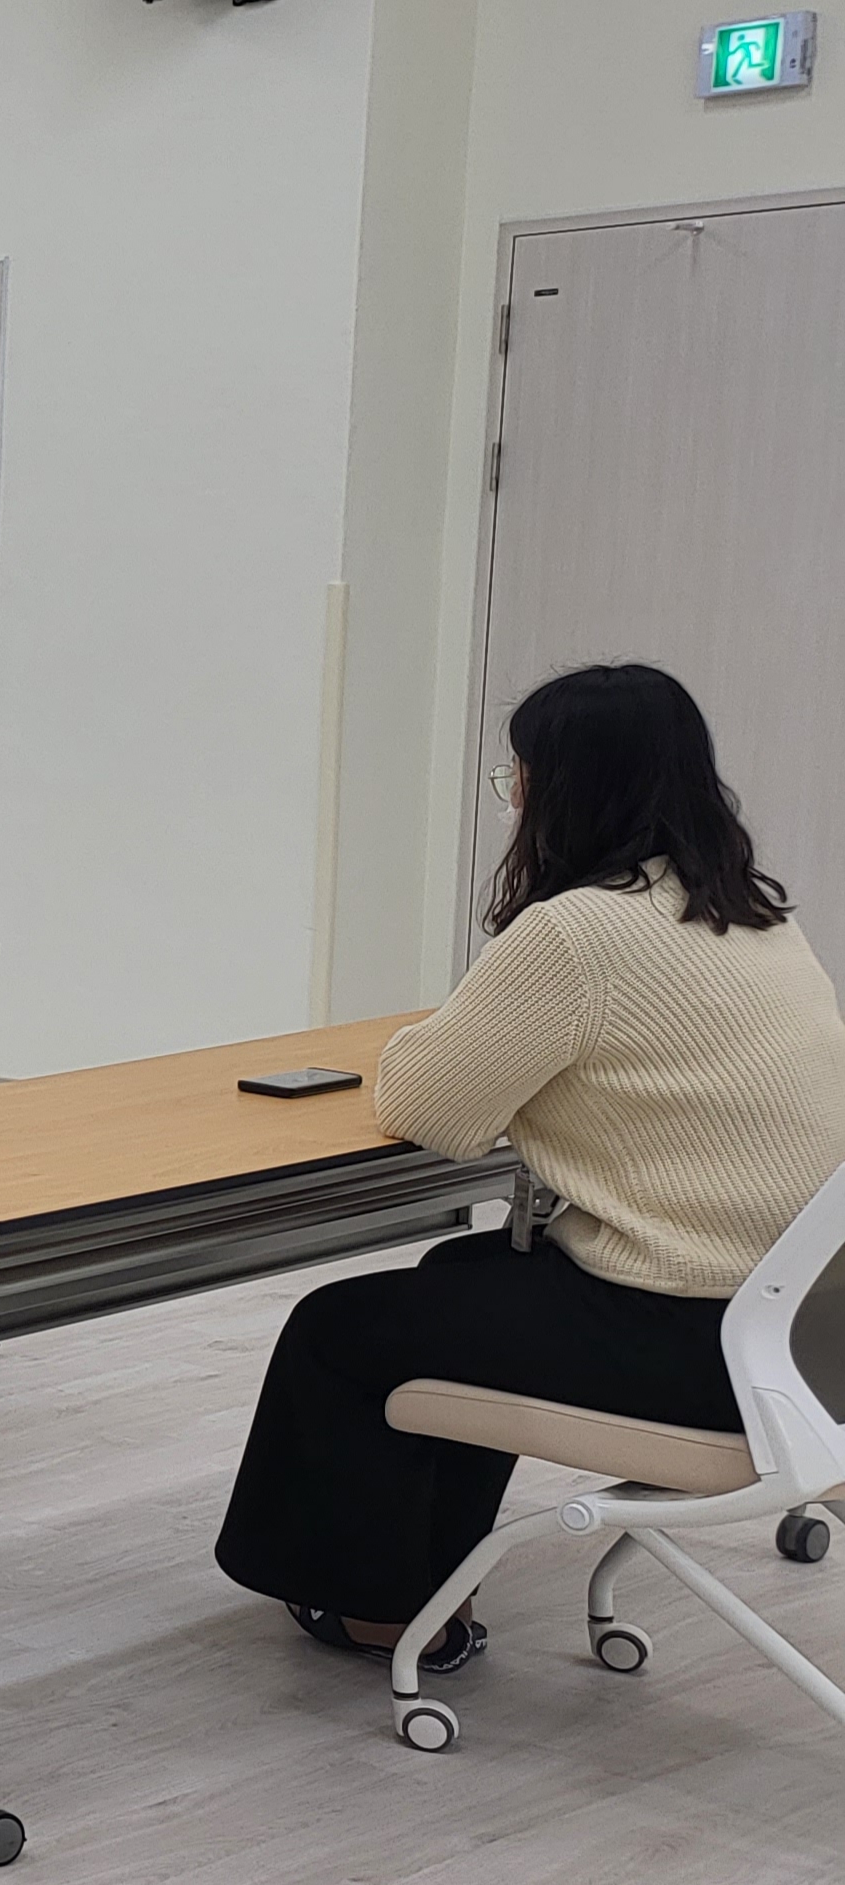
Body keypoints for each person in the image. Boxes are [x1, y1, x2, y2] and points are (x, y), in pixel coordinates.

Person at [216, 663, 845, 1675]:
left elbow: (430, 1108)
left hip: (692, 1342)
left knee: (335, 1330)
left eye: (519, 776)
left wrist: (427, 1040)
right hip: (808, 1336)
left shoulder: (577, 931)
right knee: (460, 1276)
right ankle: (433, 1575)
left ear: (568, 787)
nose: (514, 799)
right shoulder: (755, 916)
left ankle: (377, 1611)